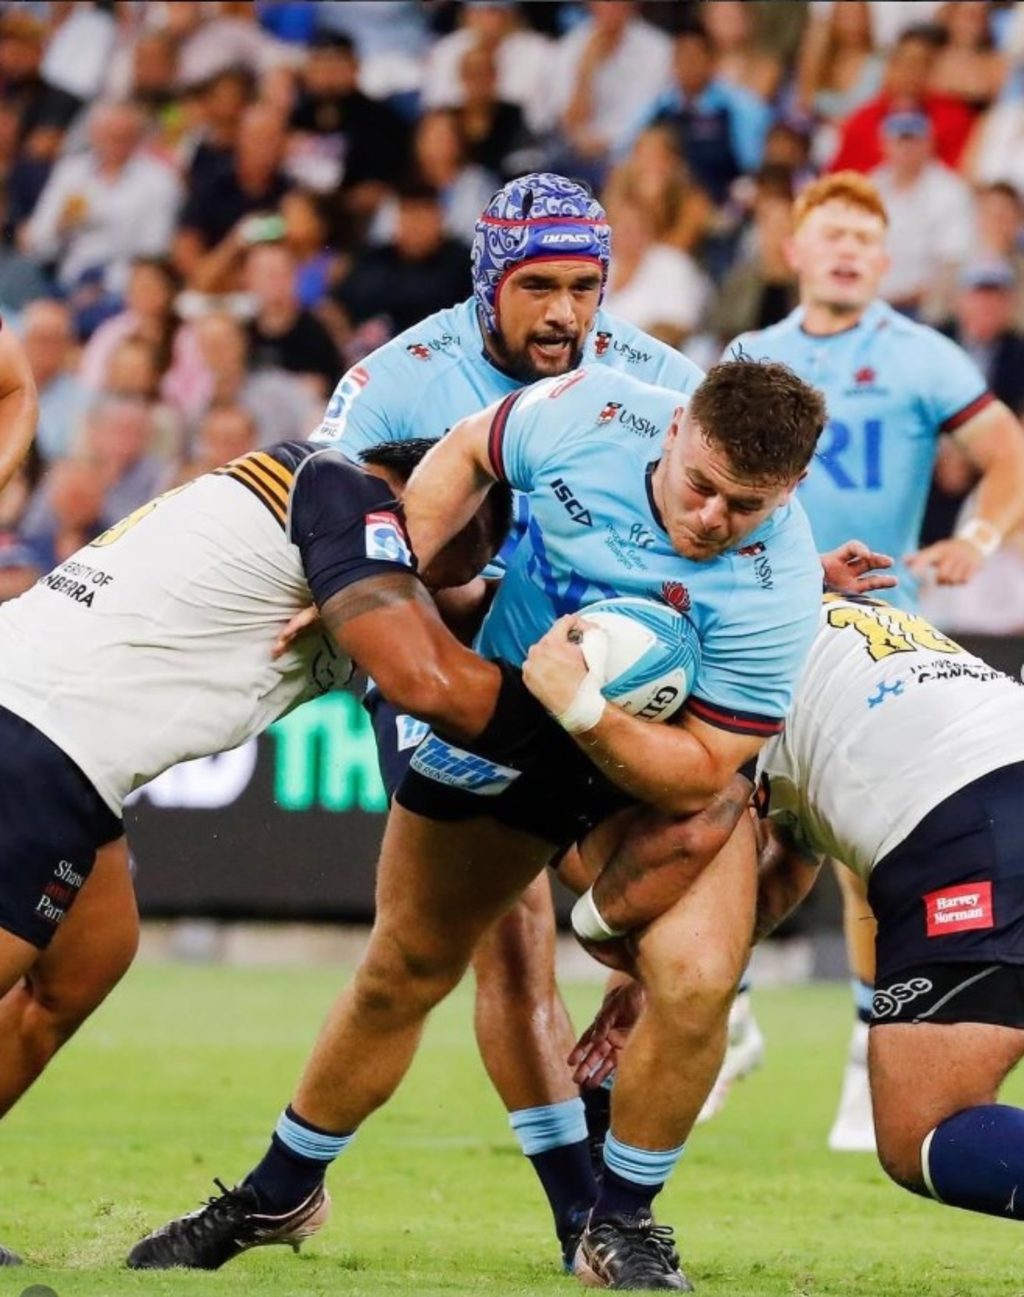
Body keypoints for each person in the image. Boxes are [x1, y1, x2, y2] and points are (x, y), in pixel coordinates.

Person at [127, 357, 834, 1290]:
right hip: (504, 719)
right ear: (674, 431)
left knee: (699, 979)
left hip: (652, 776)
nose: (711, 518)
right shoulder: (587, 410)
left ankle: (620, 1224)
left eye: (745, 505)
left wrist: (585, 710)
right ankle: (279, 1191)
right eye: (700, 484)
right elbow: (467, 450)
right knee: (402, 968)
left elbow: (703, 766)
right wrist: (382, 585)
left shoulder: (781, 582)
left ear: (790, 488)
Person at [310, 171, 705, 1267]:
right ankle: (584, 1216)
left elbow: (736, 514)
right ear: (488, 281)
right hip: (453, 676)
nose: (565, 314)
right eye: (538, 287)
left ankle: (601, 1153)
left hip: (598, 681)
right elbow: (319, 516)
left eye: (585, 286)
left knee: (676, 895)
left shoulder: (658, 379)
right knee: (510, 941)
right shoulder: (394, 382)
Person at [0, 434, 517, 1266]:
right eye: (457, 554)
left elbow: (446, 615)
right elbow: (425, 682)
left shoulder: (324, 513)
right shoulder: (343, 490)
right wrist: (573, 721)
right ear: (434, 494)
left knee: (85, 962)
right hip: (35, 735)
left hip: (58, 738)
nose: (437, 584)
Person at [572, 592, 1024, 1249]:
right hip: (991, 784)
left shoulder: (724, 665)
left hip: (969, 832)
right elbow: (788, 861)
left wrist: (595, 929)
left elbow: (696, 835)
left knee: (923, 1127)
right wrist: (657, 984)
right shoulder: (801, 615)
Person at [730, 170, 1024, 1150]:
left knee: (868, 862)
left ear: (886, 259)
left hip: (879, 632)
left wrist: (977, 539)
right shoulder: (749, 357)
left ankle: (869, 1056)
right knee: (714, 816)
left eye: (865, 237)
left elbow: (1009, 452)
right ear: (795, 252)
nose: (849, 251)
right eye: (833, 234)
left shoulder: (919, 354)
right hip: (760, 623)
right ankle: (725, 1013)